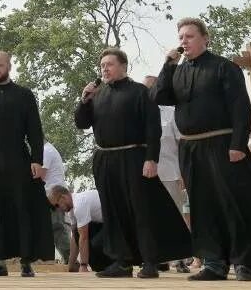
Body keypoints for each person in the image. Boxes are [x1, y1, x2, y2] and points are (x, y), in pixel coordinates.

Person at [153, 17, 251, 281]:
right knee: (202, 207)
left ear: (205, 38)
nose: (184, 41)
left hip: (223, 144)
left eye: (190, 36)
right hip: (191, 149)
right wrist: (168, 65)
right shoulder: (178, 71)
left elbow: (241, 107)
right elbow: (159, 96)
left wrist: (238, 144)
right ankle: (214, 262)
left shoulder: (224, 67)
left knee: (235, 204)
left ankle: (244, 262)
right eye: (181, 37)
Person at [76, 48, 191, 278]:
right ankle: (122, 261)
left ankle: (150, 261)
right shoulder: (97, 95)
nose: (104, 69)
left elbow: (153, 128)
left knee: (141, 210)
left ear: (123, 66)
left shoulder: (139, 92)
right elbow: (82, 123)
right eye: (102, 66)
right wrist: (83, 100)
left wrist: (151, 158)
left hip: (134, 158)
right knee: (113, 211)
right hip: (105, 159)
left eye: (109, 64)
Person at [0, 52, 54, 277]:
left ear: (9, 67)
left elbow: (35, 130)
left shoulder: (24, 95)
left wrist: (37, 160)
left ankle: (26, 261)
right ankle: (0, 262)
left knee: (21, 209)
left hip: (18, 158)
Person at [144, 74, 191, 273]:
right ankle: (155, 258)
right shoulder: (137, 113)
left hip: (170, 172)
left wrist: (183, 173)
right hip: (145, 175)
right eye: (145, 89)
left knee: (177, 216)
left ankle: (180, 258)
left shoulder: (171, 112)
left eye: (151, 88)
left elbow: (181, 144)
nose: (148, 93)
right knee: (149, 218)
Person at [49, 186, 110, 273]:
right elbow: (75, 238)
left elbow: (84, 237)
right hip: (107, 223)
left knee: (96, 242)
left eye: (57, 205)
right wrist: (70, 266)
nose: (58, 209)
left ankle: (115, 265)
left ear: (63, 197)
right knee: (77, 233)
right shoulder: (72, 211)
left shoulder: (79, 204)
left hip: (121, 223)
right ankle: (101, 268)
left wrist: (83, 266)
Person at [39, 140, 70, 263]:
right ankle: (67, 259)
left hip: (56, 197)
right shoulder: (48, 149)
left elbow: (40, 174)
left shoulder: (46, 151)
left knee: (57, 228)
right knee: (55, 229)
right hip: (52, 196)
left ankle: (70, 259)